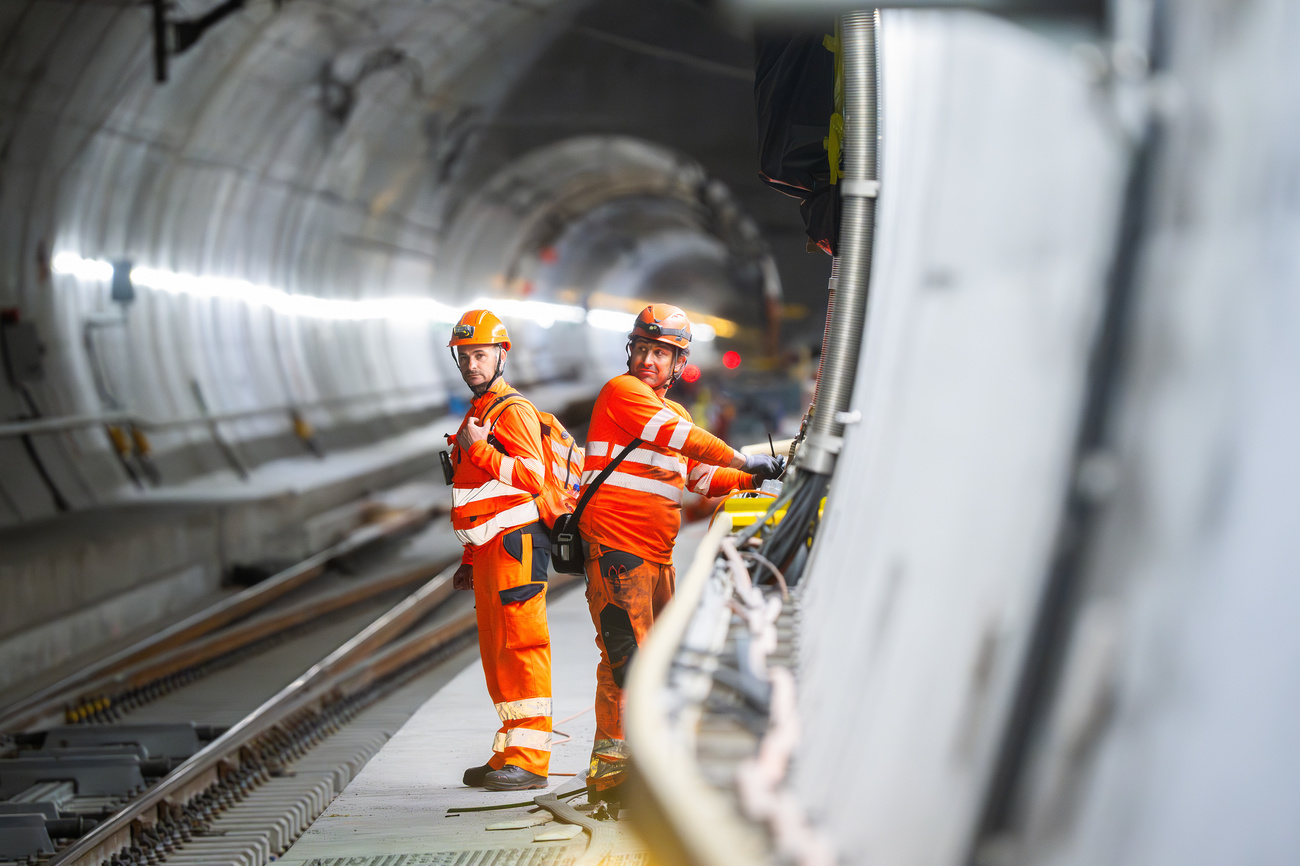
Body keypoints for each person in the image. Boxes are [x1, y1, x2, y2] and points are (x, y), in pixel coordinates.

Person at [578, 303, 783, 803]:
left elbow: (699, 478)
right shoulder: (622, 393)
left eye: (660, 353)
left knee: (657, 660)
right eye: (643, 349)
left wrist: (758, 474)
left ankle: (646, 766)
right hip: (618, 549)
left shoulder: (674, 412)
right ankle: (612, 775)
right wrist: (742, 456)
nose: (648, 360)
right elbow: (680, 440)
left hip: (654, 556)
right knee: (627, 660)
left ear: (678, 362)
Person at [446, 309, 553, 792]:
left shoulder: (512, 411)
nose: (472, 364)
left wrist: (483, 450)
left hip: (516, 547)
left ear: (501, 355)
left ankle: (531, 761)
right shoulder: (478, 412)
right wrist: (468, 559)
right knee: (496, 653)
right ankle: (508, 751)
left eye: (481, 354)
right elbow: (475, 495)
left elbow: (533, 477)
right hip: (488, 552)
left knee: (522, 647)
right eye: (465, 356)